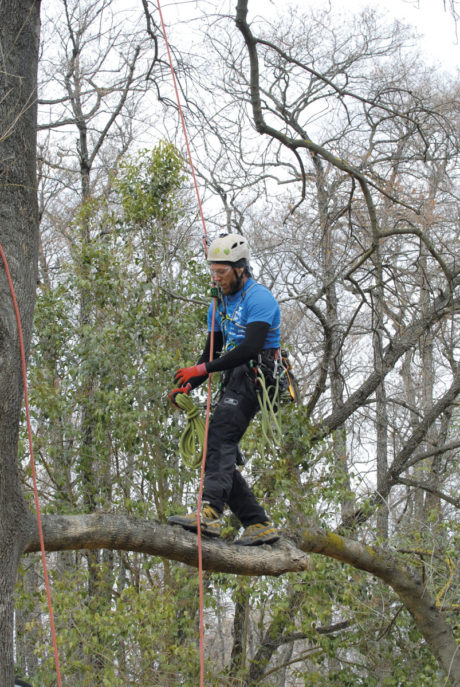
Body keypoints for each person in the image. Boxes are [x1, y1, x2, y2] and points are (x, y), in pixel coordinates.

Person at [168, 233, 281, 546]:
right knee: (216, 447)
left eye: (222, 272)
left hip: (257, 374)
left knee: (219, 437)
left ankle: (210, 514)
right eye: (213, 271)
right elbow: (210, 355)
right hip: (233, 377)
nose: (216, 278)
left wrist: (202, 370)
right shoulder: (217, 304)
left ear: (241, 269)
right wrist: (187, 385)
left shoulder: (259, 298)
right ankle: (257, 523)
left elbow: (249, 347)